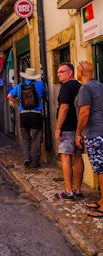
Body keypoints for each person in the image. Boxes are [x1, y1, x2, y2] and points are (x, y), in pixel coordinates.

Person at [75, 61, 103, 217]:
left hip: (95, 133)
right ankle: (101, 200)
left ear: (80, 72)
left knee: (101, 169)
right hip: (101, 131)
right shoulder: (99, 85)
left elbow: (84, 112)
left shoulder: (85, 88)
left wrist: (78, 133)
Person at [54, 62, 84, 200]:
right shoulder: (79, 86)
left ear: (70, 73)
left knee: (66, 156)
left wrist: (58, 127)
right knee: (78, 158)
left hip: (67, 128)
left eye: (61, 72)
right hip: (79, 128)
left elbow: (64, 108)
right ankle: (77, 189)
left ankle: (68, 191)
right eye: (58, 72)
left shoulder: (66, 86)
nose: (58, 74)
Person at [7, 67, 44, 168]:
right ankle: (35, 162)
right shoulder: (40, 84)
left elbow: (9, 96)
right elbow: (43, 94)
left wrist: (18, 102)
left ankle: (27, 158)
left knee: (25, 138)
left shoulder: (19, 86)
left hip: (24, 114)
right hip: (36, 114)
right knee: (36, 138)